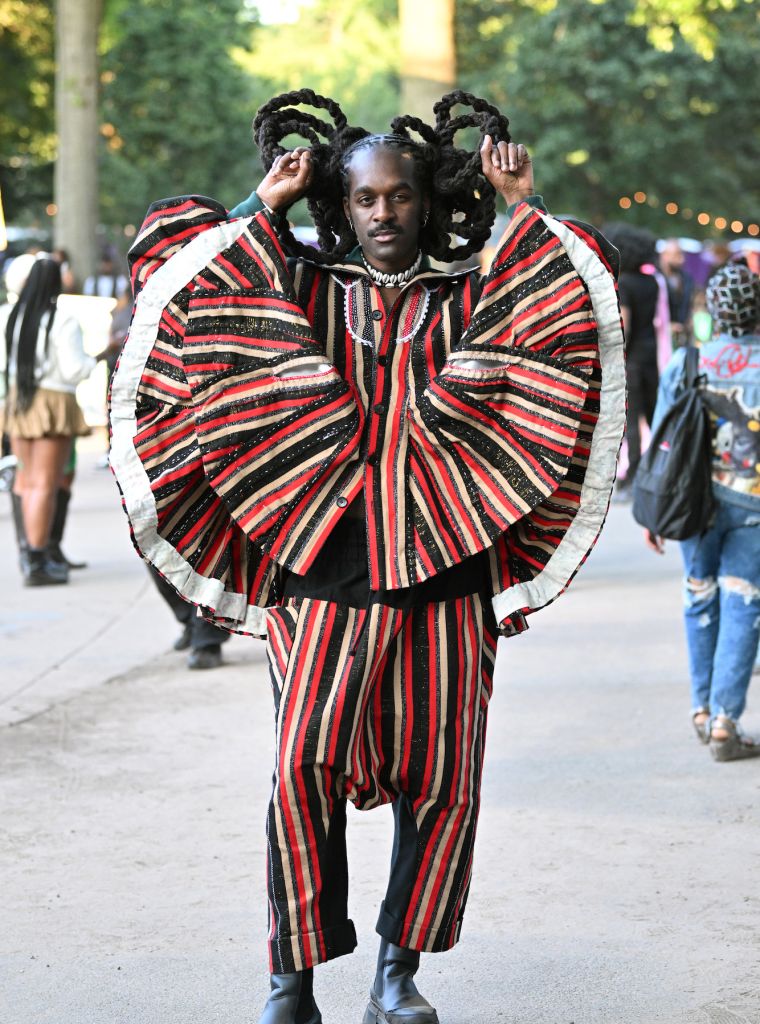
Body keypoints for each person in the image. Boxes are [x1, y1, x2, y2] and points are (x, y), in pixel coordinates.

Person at [109, 90, 625, 1024]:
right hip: (320, 574)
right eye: (365, 200)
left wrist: (519, 210)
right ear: (339, 207)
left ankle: (397, 974)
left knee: (441, 780)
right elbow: (186, 293)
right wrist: (257, 207)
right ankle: (291, 981)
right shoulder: (307, 289)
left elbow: (567, 311)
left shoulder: (470, 291)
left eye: (400, 197)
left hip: (448, 573)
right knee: (300, 770)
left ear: (429, 199)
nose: (384, 214)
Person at [645, 259, 760, 762]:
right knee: (743, 604)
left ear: (713, 310)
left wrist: (657, 515)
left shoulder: (687, 363)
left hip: (693, 505)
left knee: (699, 598)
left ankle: (699, 708)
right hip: (752, 506)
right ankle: (723, 723)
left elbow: (666, 440)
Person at [1, 256, 96, 585]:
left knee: (25, 482)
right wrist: (93, 360)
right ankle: (39, 559)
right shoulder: (62, 319)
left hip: (18, 399)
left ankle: (30, 554)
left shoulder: (7, 316)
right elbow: (73, 369)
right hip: (53, 399)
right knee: (45, 483)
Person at [607, 224, 661, 493]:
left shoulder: (624, 283)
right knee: (653, 415)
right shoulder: (651, 282)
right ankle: (662, 468)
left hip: (633, 358)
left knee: (632, 418)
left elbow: (624, 326)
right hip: (651, 354)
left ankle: (634, 475)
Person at [659, 238, 695, 348]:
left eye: (681, 254)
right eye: (676, 255)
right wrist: (666, 326)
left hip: (684, 339)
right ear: (664, 255)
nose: (682, 259)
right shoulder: (655, 278)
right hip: (661, 340)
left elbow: (689, 304)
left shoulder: (687, 278)